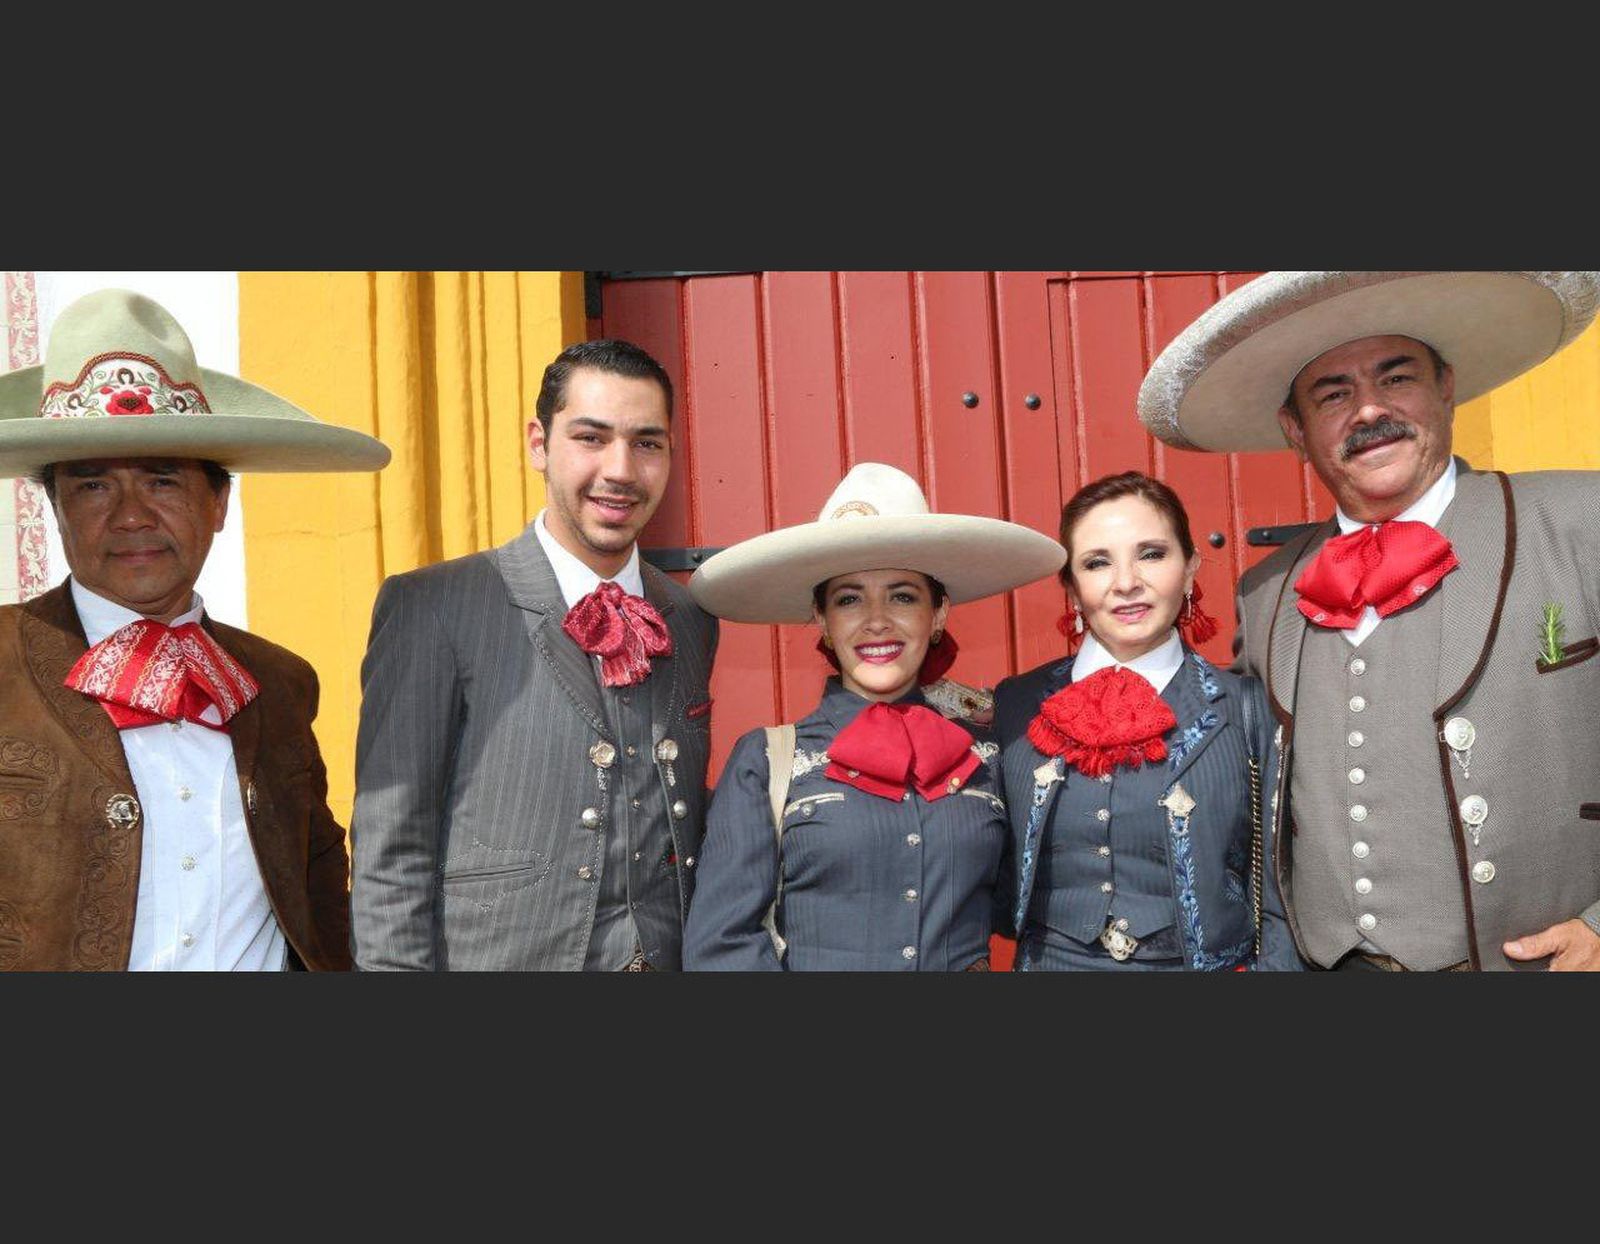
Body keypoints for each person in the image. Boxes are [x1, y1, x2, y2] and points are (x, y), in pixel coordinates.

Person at [1138, 270, 1600, 971]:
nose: (1368, 411)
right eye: (1333, 394)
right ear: (1296, 430)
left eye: (1397, 378)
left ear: (1447, 387)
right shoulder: (1267, 591)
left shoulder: (1579, 519)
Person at [0, 287, 389, 970]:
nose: (130, 516)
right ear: (54, 509)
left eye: (163, 481)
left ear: (218, 503)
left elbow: (322, 888)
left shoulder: (280, 681)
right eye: (91, 486)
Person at [350, 339, 718, 970]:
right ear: (539, 444)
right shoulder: (433, 605)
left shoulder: (688, 617)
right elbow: (392, 849)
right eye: (591, 437)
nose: (622, 470)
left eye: (647, 442)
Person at [681, 461, 1064, 970]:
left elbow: (1036, 900)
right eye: (848, 599)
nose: (876, 620)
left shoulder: (991, 755)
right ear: (821, 617)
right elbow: (722, 948)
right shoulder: (766, 760)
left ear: (939, 613)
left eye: (903, 596)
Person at [993, 472, 1298, 971]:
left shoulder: (1247, 708)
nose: (1127, 582)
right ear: (1070, 586)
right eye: (1097, 563)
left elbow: (1288, 886)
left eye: (1151, 554)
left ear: (1191, 568)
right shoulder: (1016, 703)